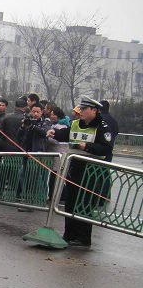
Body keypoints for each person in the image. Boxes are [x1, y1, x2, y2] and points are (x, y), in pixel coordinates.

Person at [47, 96, 113, 246]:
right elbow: (67, 134)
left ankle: (83, 237)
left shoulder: (102, 127)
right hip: (74, 168)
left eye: (84, 109)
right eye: (81, 108)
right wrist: (54, 133)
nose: (81, 111)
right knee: (70, 202)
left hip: (91, 171)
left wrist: (87, 147)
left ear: (94, 110)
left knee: (84, 204)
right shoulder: (76, 123)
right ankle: (69, 235)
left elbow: (106, 148)